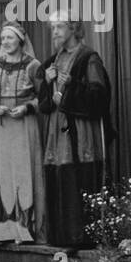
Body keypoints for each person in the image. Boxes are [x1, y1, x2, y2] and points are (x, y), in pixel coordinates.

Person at [38, 18, 113, 248]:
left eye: (59, 27)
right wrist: (47, 85)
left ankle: (81, 239)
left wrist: (70, 86)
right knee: (59, 178)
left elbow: (99, 96)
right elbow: (44, 105)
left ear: (74, 29)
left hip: (80, 135)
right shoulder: (52, 61)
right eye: (52, 29)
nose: (55, 33)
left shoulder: (88, 58)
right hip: (57, 135)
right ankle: (60, 238)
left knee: (78, 180)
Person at [0, 23, 46, 244]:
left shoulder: (33, 66)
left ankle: (24, 229)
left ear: (20, 41)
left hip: (23, 126)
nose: (5, 42)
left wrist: (27, 107)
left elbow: (43, 97)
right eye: (3, 38)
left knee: (22, 171)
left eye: (10, 38)